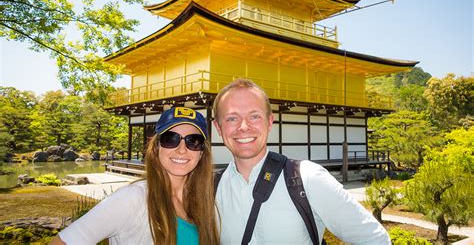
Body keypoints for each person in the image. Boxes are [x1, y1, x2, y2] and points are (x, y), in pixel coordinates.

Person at [213, 78, 390, 244]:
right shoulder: (210, 189)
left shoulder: (306, 178)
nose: (243, 127)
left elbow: (376, 239)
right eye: (232, 118)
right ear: (218, 127)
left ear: (269, 122)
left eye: (254, 116)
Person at [51, 107, 219, 245]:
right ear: (156, 148)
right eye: (170, 139)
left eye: (193, 141)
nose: (182, 149)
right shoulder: (133, 198)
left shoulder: (204, 200)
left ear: (202, 153)